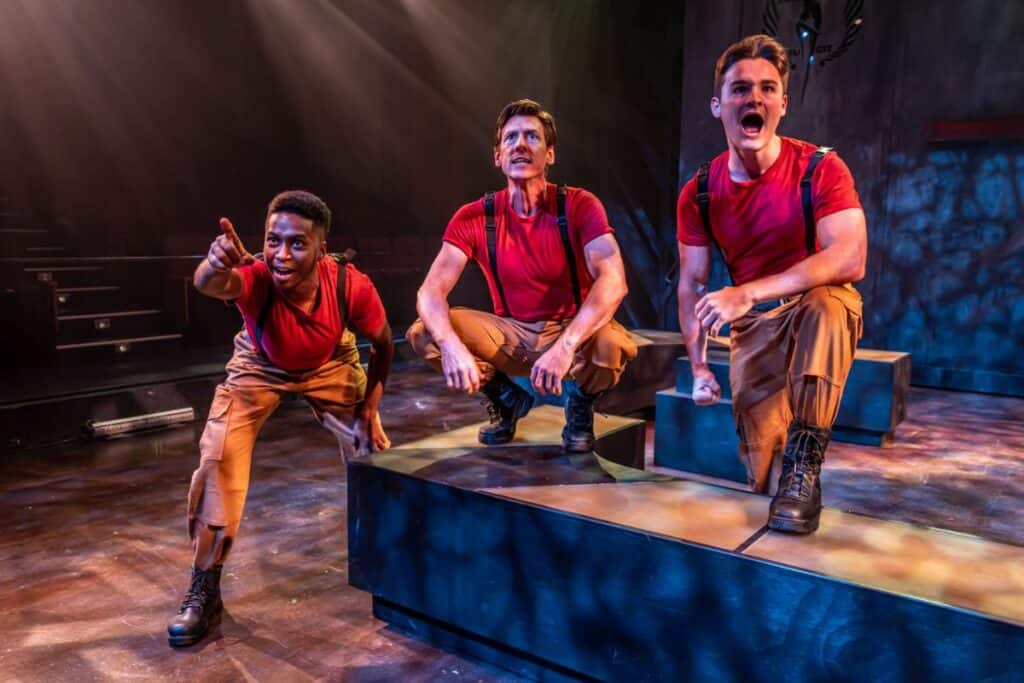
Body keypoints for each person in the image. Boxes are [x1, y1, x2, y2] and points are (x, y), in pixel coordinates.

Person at [167, 190, 393, 646]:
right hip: (259, 366)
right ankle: (205, 589)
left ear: (320, 250)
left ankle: (394, 564)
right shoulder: (255, 276)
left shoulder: (351, 286)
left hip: (330, 362)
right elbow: (209, 284)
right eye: (273, 240)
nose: (281, 254)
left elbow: (384, 343)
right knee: (218, 457)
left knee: (374, 454)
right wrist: (214, 263)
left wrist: (369, 409)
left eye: (296, 244)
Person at [676, 35, 867, 534]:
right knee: (760, 467)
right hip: (756, 329)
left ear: (783, 102)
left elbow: (850, 255)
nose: (753, 99)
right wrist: (698, 367)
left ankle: (806, 465)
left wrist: (749, 291)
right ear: (718, 105)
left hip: (807, 308)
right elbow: (692, 284)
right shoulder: (699, 191)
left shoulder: (820, 169)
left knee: (829, 305)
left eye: (767, 88)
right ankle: (786, 476)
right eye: (740, 89)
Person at [407, 99, 636, 452]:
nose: (521, 145)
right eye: (510, 138)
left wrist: (566, 346)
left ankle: (580, 406)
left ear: (550, 154)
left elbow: (613, 280)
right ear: (498, 156)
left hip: (570, 328)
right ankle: (505, 398)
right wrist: (451, 345)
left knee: (613, 345)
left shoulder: (578, 205)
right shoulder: (474, 217)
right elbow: (430, 291)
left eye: (532, 136)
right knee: (426, 333)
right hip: (510, 333)